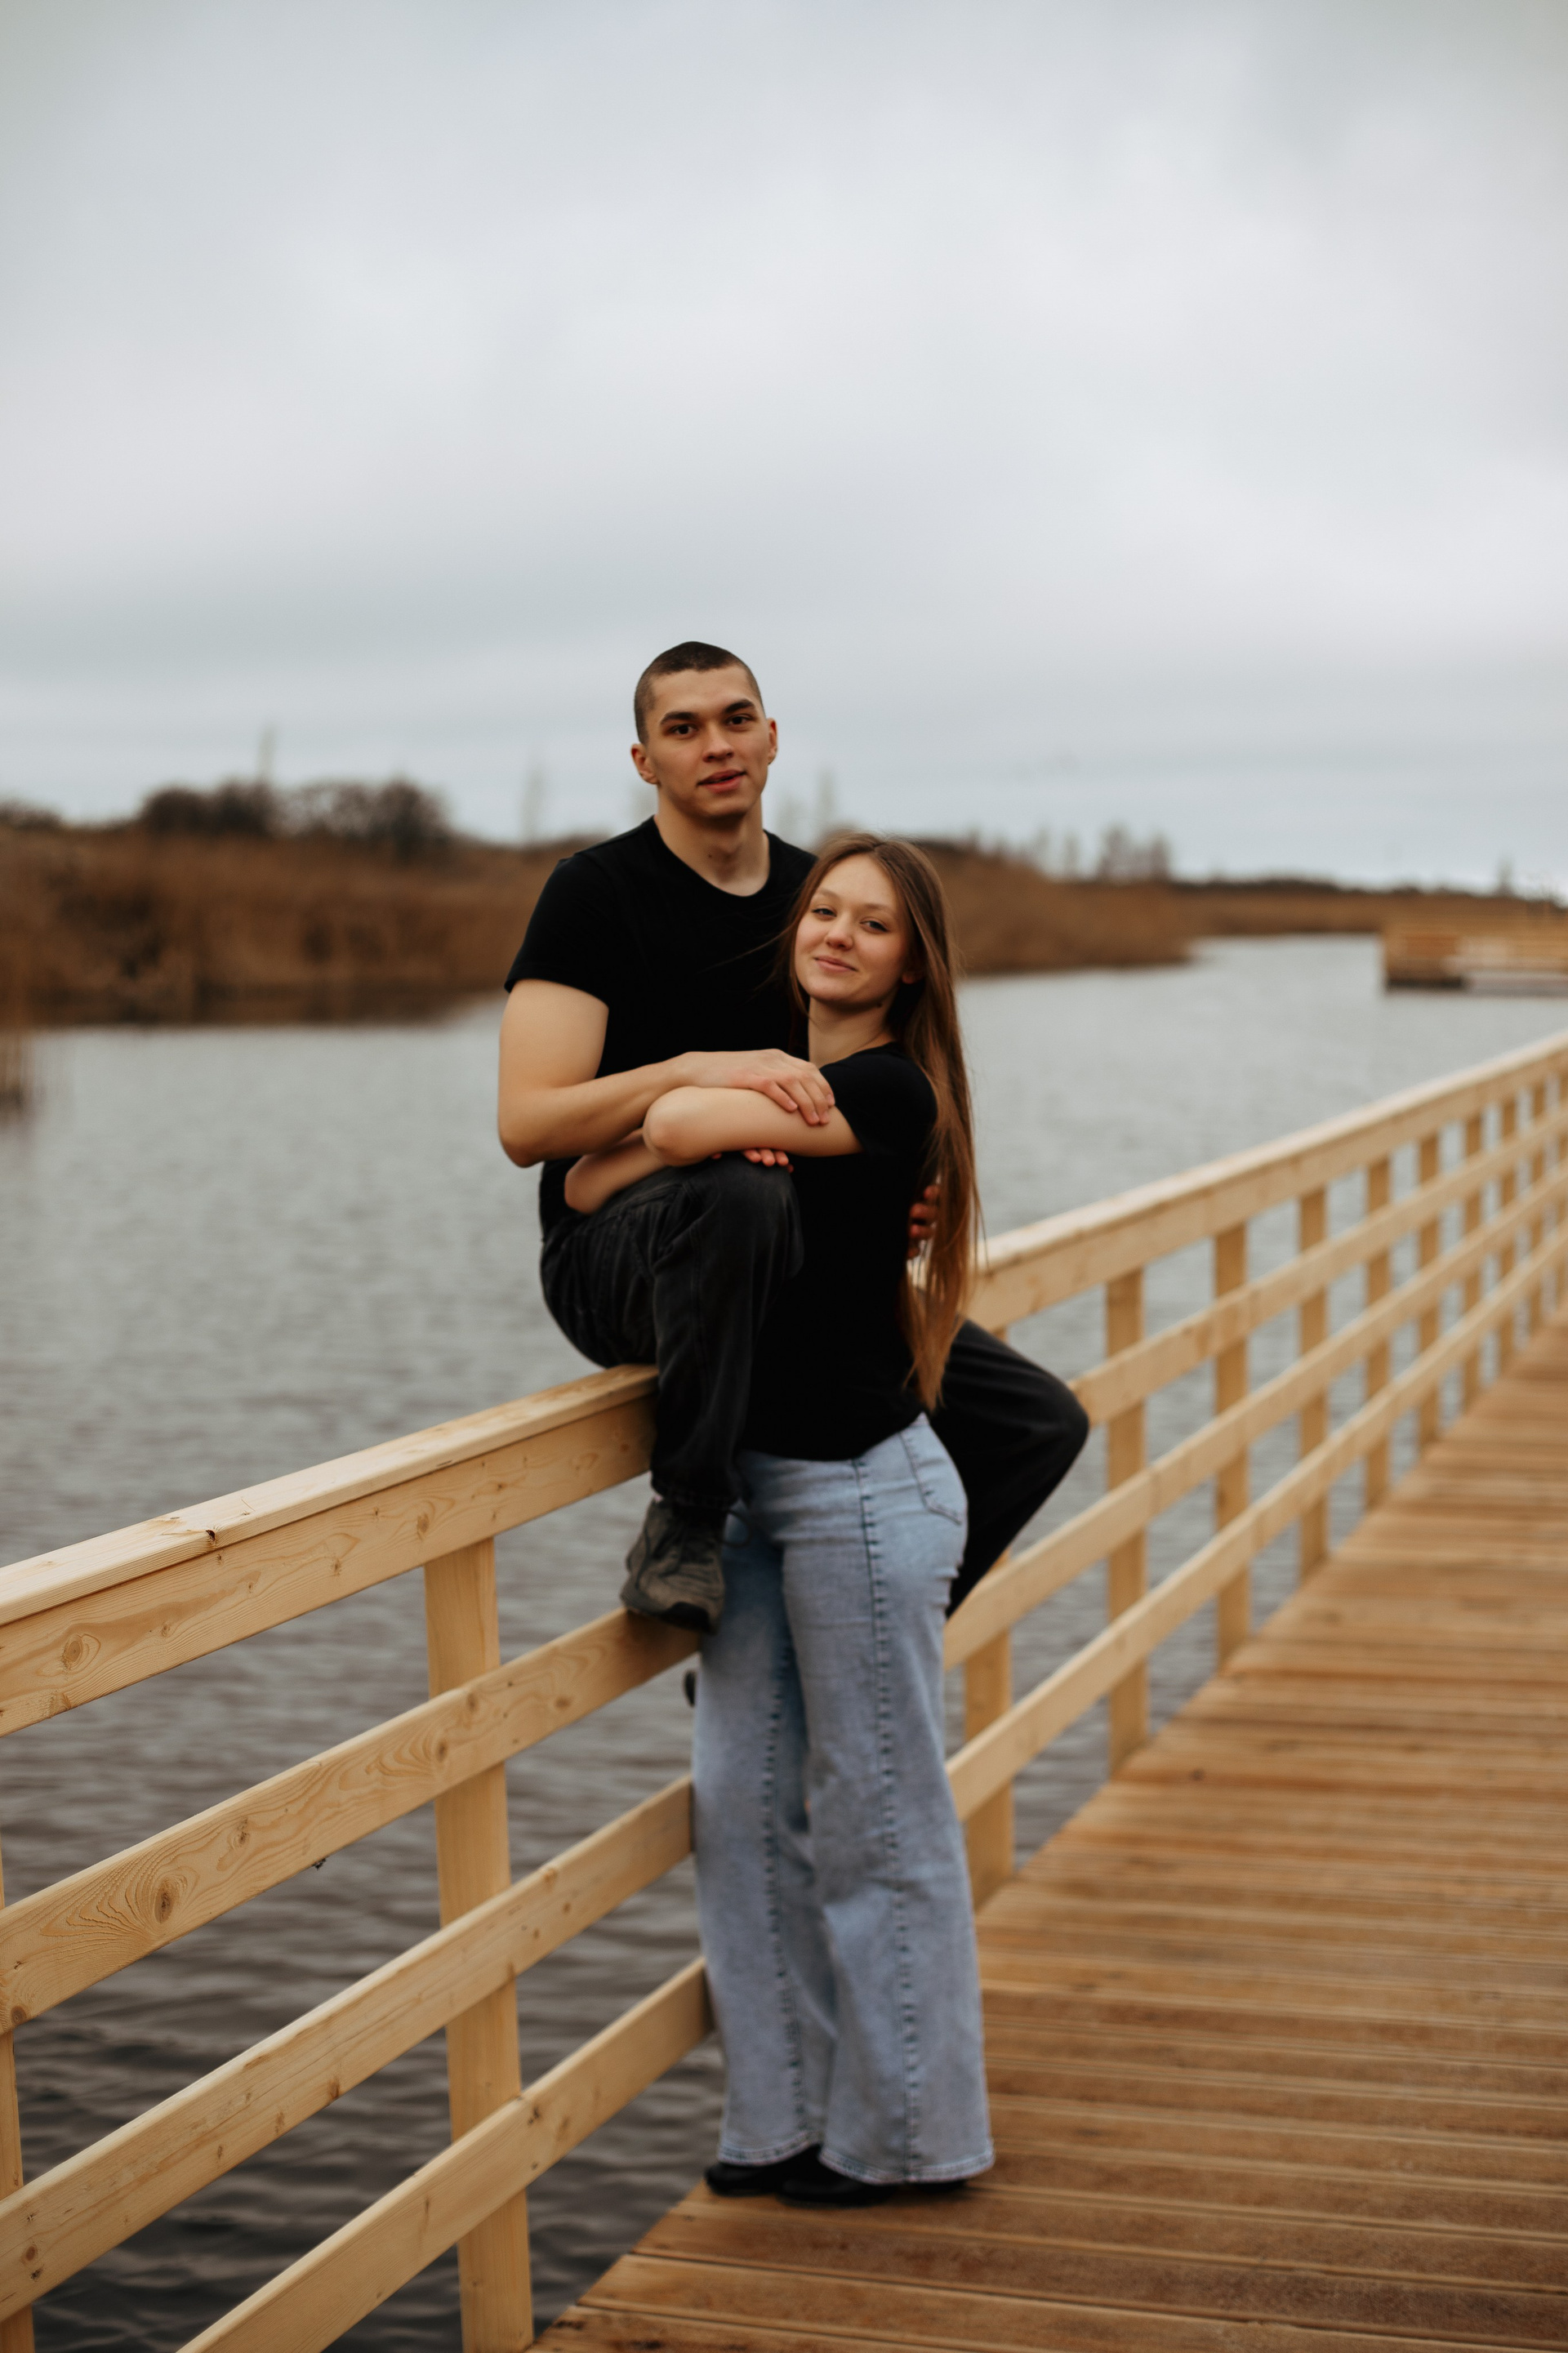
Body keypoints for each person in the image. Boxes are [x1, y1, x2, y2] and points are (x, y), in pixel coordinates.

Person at [497, 641, 1087, 1629]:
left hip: (786, 1250)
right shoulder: (595, 894)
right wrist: (691, 1069)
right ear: (644, 761)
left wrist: (905, 1190)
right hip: (617, 1250)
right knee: (740, 1192)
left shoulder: (820, 899)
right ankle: (686, 1520)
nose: (716, 745)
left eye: (736, 720)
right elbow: (527, 1126)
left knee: (1033, 1420)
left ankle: (872, 1625)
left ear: (772, 739)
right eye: (682, 728)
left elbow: (881, 1082)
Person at [567, 836, 991, 2201]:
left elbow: (668, 1140)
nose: (838, 934)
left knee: (877, 1820)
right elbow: (577, 1184)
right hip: (749, 1497)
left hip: (863, 1489)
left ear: (911, 963)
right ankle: (783, 2122)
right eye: (826, 910)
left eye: (875, 924)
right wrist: (719, 1098)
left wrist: (706, 1110)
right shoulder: (780, 1070)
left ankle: (911, 2140)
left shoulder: (889, 1087)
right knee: (743, 1816)